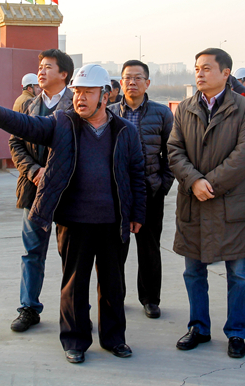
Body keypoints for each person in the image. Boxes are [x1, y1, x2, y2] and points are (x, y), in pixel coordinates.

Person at [0, 64, 146, 364]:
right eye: (77, 92)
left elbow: (136, 174)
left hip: (113, 222)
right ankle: (75, 340)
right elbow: (29, 126)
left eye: (88, 92)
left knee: (113, 285)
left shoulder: (125, 131)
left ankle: (114, 339)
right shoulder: (63, 123)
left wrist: (138, 214)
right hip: (74, 221)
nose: (80, 98)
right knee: (74, 285)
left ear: (105, 96)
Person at [168, 48, 245, 359]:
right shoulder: (185, 109)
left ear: (226, 72)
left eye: (207, 68)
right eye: (197, 68)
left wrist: (211, 184)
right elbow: (174, 150)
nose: (200, 73)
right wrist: (194, 181)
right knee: (194, 272)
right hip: (193, 202)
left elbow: (244, 155)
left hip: (231, 204)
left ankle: (236, 332)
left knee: (239, 274)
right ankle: (198, 327)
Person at [8, 49, 74, 333]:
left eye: (48, 67)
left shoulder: (77, 104)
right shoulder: (28, 105)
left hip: (70, 193)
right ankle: (29, 308)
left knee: (71, 255)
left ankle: (74, 310)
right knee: (32, 251)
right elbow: (15, 143)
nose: (41, 71)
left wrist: (56, 172)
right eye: (40, 67)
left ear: (64, 74)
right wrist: (34, 170)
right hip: (34, 190)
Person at [108, 60, 174, 319]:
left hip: (150, 191)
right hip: (116, 192)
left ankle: (150, 299)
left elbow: (172, 153)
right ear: (121, 82)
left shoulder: (162, 114)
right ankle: (116, 297)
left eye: (138, 78)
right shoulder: (110, 112)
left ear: (147, 83)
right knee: (116, 248)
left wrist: (163, 185)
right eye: (127, 78)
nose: (132, 82)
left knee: (149, 248)